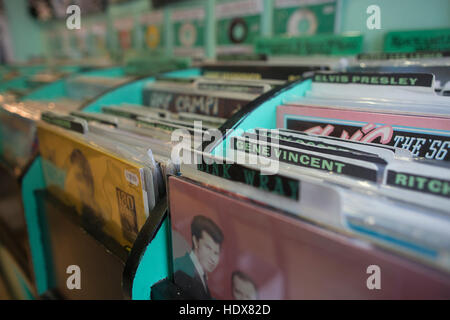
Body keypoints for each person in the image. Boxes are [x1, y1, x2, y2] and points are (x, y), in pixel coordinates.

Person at [173, 215, 224, 299]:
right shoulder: (181, 270)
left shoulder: (201, 273)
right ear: (195, 241)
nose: (213, 259)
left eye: (216, 253)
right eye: (208, 247)